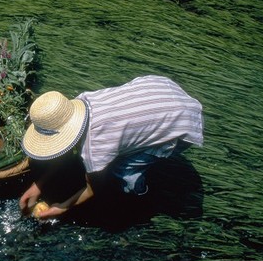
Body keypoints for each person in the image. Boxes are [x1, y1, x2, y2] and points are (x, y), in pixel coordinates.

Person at [19, 75, 203, 219]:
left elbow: (93, 189)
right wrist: (39, 185)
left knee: (123, 175)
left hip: (182, 123)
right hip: (161, 89)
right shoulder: (82, 102)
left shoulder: (94, 148)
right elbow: (67, 150)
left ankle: (144, 199)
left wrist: (62, 207)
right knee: (117, 150)